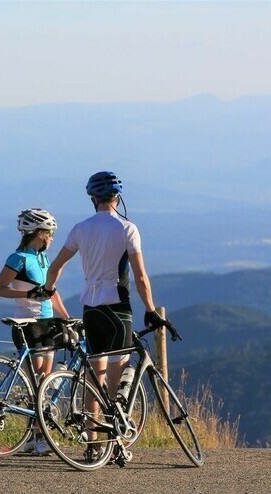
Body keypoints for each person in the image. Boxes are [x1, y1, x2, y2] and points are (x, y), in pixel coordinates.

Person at [43, 171, 165, 462]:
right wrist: (150, 310)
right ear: (117, 197)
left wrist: (48, 289)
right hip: (118, 308)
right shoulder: (127, 228)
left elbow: (56, 267)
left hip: (91, 307)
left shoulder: (80, 229)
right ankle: (116, 444)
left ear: (93, 199)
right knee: (114, 377)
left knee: (93, 374)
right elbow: (140, 276)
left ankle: (93, 445)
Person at [0, 208, 70, 456]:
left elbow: (52, 291)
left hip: (47, 323)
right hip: (28, 324)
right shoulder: (18, 258)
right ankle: (39, 437)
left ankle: (33, 437)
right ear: (39, 233)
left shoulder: (43, 258)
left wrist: (66, 318)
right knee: (37, 383)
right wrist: (28, 294)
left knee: (44, 384)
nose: (53, 237)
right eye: (50, 233)